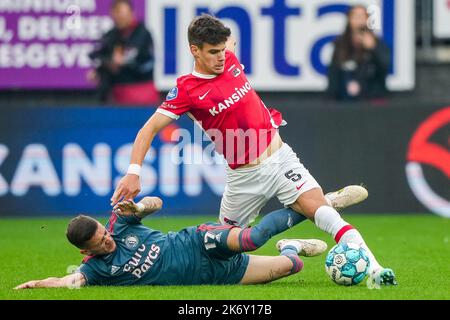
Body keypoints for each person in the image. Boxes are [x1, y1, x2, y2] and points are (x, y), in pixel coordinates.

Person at [110, 14, 396, 286]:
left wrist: (222, 42)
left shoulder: (229, 58)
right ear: (194, 51)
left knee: (329, 220)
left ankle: (375, 271)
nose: (221, 56)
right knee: (222, 253)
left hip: (280, 158)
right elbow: (147, 130)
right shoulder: (187, 90)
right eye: (213, 52)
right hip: (244, 177)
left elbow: (228, 42)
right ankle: (297, 238)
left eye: (223, 49)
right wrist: (133, 173)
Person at [15, 197, 327, 289]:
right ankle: (293, 244)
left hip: (198, 243)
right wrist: (35, 285)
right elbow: (66, 281)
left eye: (105, 233)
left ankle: (316, 206)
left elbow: (156, 203)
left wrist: (139, 209)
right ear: (86, 251)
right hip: (216, 277)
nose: (108, 240)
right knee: (291, 266)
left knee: (253, 238)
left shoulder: (120, 222)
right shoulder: (96, 271)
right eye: (101, 243)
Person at [87, 0, 160, 106]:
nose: (119, 19)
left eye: (122, 15)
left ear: (131, 13)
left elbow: (131, 57)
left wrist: (119, 61)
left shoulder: (142, 33)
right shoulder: (111, 35)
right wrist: (99, 70)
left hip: (141, 92)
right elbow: (98, 54)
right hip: (117, 94)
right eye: (116, 16)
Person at [327, 5, 391, 101]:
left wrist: (373, 49)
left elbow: (385, 68)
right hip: (345, 101)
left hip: (371, 100)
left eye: (362, 16)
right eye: (356, 16)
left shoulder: (377, 44)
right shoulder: (341, 44)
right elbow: (333, 73)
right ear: (349, 19)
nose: (359, 20)